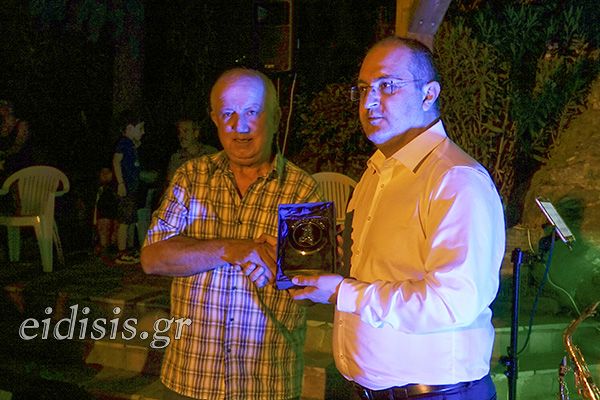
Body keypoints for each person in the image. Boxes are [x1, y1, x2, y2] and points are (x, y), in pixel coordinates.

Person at [290, 36, 506, 400]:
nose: (368, 102)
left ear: (428, 94)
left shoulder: (455, 179)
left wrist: (343, 292)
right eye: (362, 89)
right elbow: (381, 270)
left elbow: (452, 302)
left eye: (387, 85)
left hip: (437, 394)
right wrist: (322, 259)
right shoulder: (377, 173)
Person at [141, 68, 323, 400]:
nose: (239, 127)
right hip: (190, 378)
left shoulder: (302, 190)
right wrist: (230, 249)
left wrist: (285, 268)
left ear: (276, 117)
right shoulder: (190, 177)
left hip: (266, 384)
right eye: (228, 114)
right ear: (214, 118)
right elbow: (152, 258)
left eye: (252, 112)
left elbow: (313, 293)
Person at [112, 110, 145, 265]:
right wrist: (121, 183)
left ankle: (129, 249)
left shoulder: (130, 144)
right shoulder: (124, 143)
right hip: (125, 188)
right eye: (140, 128)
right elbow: (116, 161)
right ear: (130, 128)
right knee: (124, 221)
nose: (143, 132)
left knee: (130, 218)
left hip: (131, 188)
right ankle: (122, 252)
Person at [0, 99, 33, 179]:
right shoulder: (2, 124)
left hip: (19, 164)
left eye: (4, 107)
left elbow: (17, 148)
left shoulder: (22, 125)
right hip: (5, 162)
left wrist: (2, 155)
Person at [93, 166, 119, 256]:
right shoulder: (98, 189)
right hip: (102, 214)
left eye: (108, 172)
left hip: (113, 213)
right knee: (104, 230)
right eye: (102, 172)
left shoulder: (115, 188)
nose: (105, 175)